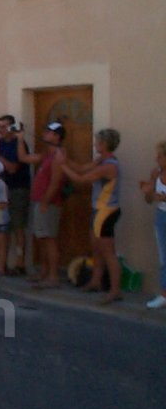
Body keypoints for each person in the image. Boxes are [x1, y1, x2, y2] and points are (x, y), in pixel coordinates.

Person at [61, 129, 123, 304]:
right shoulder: (102, 161)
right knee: (96, 248)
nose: (95, 144)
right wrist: (65, 159)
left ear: (104, 144)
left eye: (97, 142)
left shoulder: (108, 166)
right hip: (98, 210)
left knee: (108, 252)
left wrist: (62, 166)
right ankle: (96, 281)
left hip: (106, 211)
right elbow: (81, 168)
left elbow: (81, 179)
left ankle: (115, 290)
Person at [16, 122, 67, 288]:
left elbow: (56, 181)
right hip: (39, 202)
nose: (45, 133)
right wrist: (20, 139)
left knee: (49, 239)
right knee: (42, 238)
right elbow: (23, 158)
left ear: (57, 136)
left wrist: (45, 201)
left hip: (48, 204)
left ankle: (53, 277)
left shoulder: (59, 155)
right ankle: (44, 272)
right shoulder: (47, 155)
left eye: (49, 132)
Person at [0, 115, 31, 275]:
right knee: (4, 226)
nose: (0, 130)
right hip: (4, 189)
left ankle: (20, 262)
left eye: (3, 126)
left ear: (11, 127)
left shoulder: (19, 143)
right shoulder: (1, 143)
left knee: (18, 226)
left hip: (18, 189)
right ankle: (2, 263)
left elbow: (12, 168)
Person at [141, 141, 166, 309]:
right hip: (161, 215)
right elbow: (149, 200)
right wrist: (148, 192)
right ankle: (164, 294)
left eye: (160, 156)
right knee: (163, 256)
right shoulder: (156, 173)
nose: (156, 159)